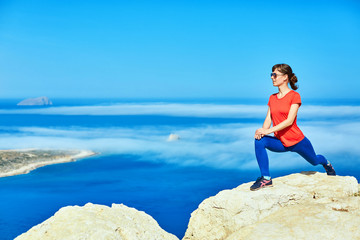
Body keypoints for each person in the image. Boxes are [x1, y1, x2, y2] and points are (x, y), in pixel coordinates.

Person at [250, 63, 336, 191]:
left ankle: (327, 163)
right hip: (281, 142)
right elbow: (268, 118)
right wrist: (263, 131)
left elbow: (289, 121)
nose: (272, 77)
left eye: (275, 74)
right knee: (259, 141)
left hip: (297, 141)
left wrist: (268, 130)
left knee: (314, 161)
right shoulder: (272, 98)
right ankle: (266, 179)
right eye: (271, 74)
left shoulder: (295, 96)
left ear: (285, 77)